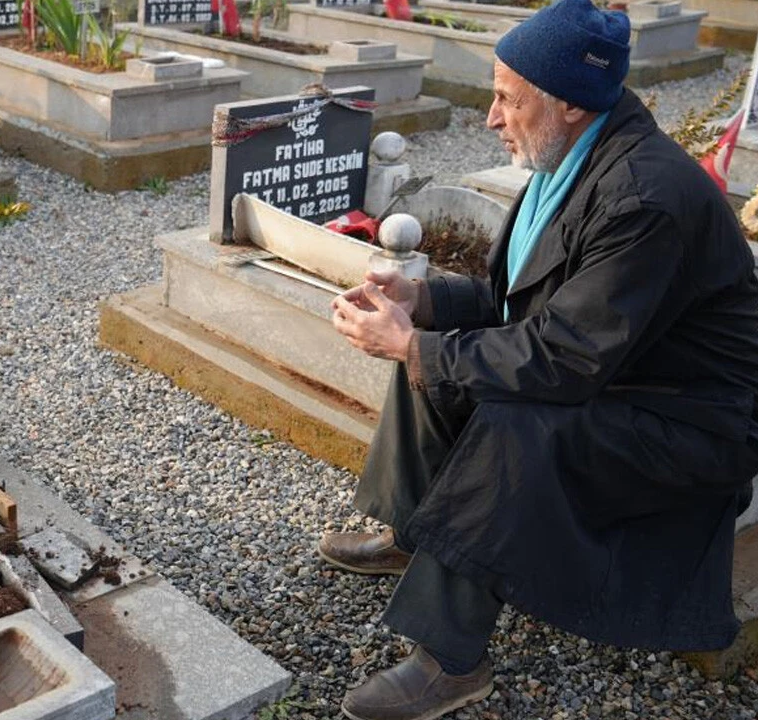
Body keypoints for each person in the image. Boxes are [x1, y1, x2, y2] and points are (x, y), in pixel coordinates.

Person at [319, 0, 758, 718]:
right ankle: (415, 534)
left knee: (516, 414)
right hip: (619, 371)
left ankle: (451, 657)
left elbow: (563, 358)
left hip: (691, 418)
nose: (491, 118)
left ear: (567, 104)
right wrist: (418, 303)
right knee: (430, 356)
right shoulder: (575, 155)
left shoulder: (644, 197)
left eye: (505, 98)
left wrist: (417, 342)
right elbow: (513, 299)